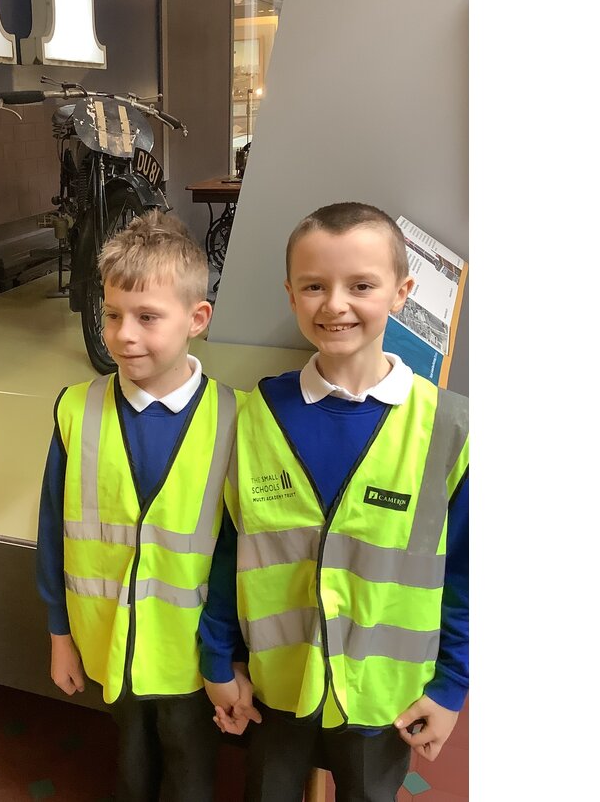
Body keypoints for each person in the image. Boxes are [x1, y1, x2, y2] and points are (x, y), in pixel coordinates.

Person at [203, 202, 469, 802]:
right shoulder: (255, 416)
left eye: (362, 286)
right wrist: (221, 659)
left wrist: (452, 686)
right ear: (291, 295)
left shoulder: (448, 430)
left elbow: (465, 575)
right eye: (314, 286)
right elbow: (229, 550)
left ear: (402, 294)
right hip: (277, 687)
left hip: (385, 701)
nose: (335, 304)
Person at [35, 209, 244, 802]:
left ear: (196, 319)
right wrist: (59, 633)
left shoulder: (235, 419)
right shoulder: (76, 409)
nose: (124, 335)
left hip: (191, 657)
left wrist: (224, 657)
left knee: (190, 775)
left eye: (147, 317)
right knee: (131, 770)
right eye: (112, 315)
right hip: (110, 644)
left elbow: (238, 552)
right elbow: (53, 531)